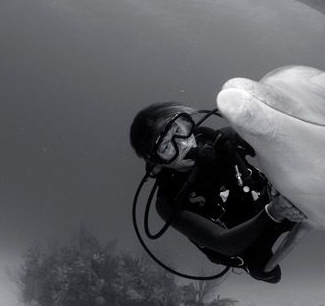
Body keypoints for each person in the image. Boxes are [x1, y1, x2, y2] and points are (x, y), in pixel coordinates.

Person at [129, 102, 305, 284]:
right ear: (157, 161)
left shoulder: (223, 141)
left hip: (271, 200)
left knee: (309, 202)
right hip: (245, 242)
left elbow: (276, 142)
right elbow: (223, 243)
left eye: (178, 129)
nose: (184, 143)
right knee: (268, 272)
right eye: (166, 147)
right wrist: (272, 212)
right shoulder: (169, 202)